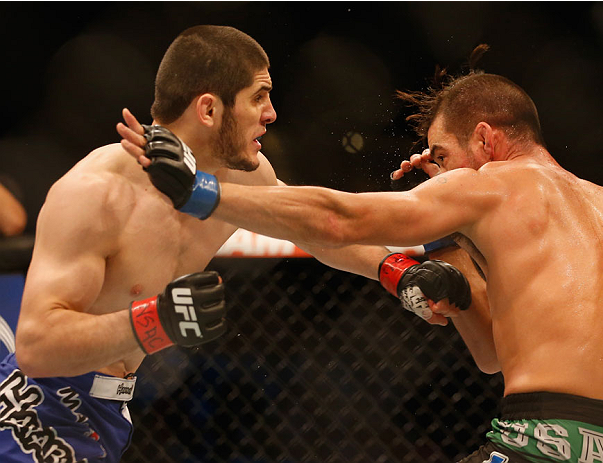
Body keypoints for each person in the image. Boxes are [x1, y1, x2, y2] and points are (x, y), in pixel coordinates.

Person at [119, 45, 603, 462]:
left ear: (485, 139)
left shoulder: (494, 183)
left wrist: (201, 191)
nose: (436, 170)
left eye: (441, 154)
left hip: (548, 441)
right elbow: (492, 357)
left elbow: (341, 219)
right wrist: (444, 243)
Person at [5, 25, 466, 463]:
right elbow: (36, 346)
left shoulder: (240, 178)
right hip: (37, 409)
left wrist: (395, 271)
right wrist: (156, 321)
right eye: (258, 97)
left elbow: (316, 230)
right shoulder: (98, 193)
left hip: (110, 411)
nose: (272, 113)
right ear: (209, 110)